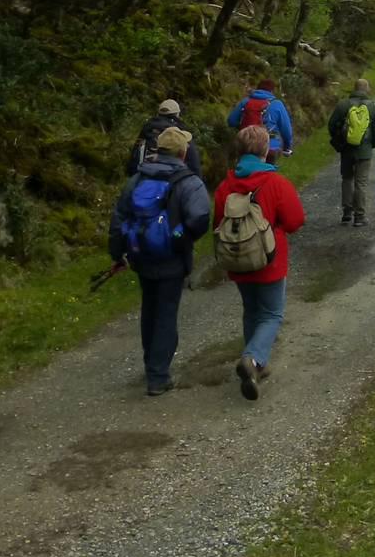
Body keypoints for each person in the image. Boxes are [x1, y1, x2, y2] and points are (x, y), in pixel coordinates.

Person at [109, 126, 212, 395]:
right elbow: (200, 217)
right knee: (166, 313)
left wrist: (118, 252)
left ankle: (151, 364)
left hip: (141, 255)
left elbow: (120, 216)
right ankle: (158, 376)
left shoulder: (137, 179)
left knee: (150, 310)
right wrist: (183, 237)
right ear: (183, 151)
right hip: (172, 259)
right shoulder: (188, 181)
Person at [211, 125, 305, 401]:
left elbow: (218, 222)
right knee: (273, 313)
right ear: (265, 151)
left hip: (237, 260)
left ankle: (255, 365)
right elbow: (295, 220)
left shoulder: (225, 185)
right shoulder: (275, 183)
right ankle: (252, 359)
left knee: (251, 310)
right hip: (268, 259)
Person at [327, 77, 375, 226]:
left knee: (347, 179)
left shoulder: (343, 105)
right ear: (367, 89)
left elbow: (332, 125)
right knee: (361, 183)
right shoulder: (372, 107)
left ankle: (347, 212)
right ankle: (359, 216)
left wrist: (340, 140)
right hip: (364, 151)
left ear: (354, 88)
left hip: (347, 149)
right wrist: (372, 144)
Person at [126, 98, 201, 177]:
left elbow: (134, 158)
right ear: (177, 115)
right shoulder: (180, 134)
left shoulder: (147, 129)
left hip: (144, 177)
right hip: (174, 180)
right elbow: (194, 164)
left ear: (158, 114)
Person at [227, 79, 294, 162]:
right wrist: (287, 147)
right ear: (272, 91)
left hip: (246, 145)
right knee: (267, 171)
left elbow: (231, 121)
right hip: (269, 147)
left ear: (257, 89)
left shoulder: (246, 101)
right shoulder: (277, 104)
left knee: (245, 172)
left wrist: (244, 129)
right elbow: (286, 129)